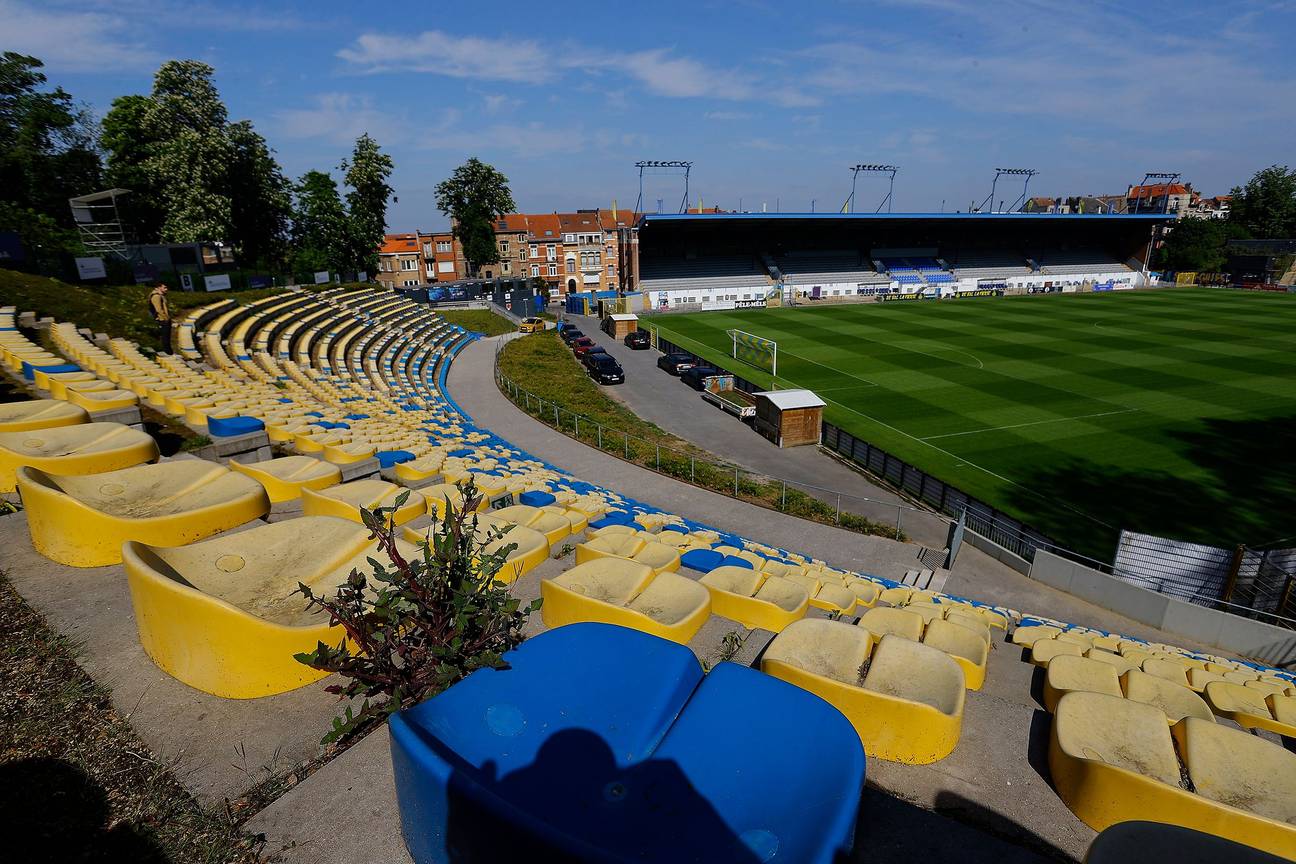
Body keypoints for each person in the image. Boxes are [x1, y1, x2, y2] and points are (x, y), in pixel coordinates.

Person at [148, 282, 171, 351]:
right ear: (158, 288)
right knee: (165, 337)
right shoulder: (156, 296)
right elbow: (158, 309)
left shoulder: (160, 296)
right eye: (164, 287)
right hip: (162, 320)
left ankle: (167, 350)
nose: (166, 289)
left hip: (163, 319)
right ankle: (167, 351)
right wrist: (166, 318)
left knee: (166, 337)